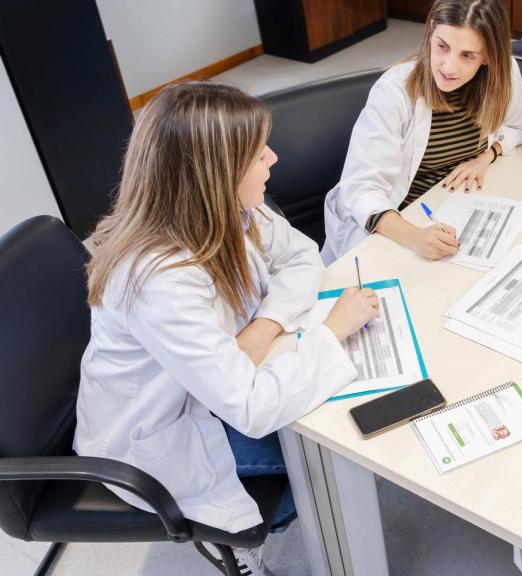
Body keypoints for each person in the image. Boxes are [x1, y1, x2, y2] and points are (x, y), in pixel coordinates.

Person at [75, 83, 379, 576]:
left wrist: (265, 324)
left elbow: (302, 255)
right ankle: (248, 544)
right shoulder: (157, 279)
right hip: (156, 432)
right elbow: (250, 408)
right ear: (215, 174)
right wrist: (331, 332)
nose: (274, 159)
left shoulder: (226, 208)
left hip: (218, 383)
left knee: (340, 417)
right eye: (259, 154)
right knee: (338, 448)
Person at [321, 0, 522, 264]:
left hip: (454, 205)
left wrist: (486, 156)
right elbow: (361, 190)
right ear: (431, 31)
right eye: (442, 46)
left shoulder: (504, 74)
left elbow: (519, 126)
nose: (448, 67)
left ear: (489, 55)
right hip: (398, 222)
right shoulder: (394, 92)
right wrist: (414, 237)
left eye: (467, 55)